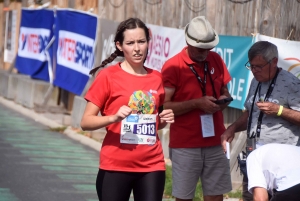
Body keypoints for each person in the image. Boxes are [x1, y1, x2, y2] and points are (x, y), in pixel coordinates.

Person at [80, 17, 174, 201]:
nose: (137, 48)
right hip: (115, 165)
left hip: (152, 165)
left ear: (148, 43)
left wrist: (163, 119)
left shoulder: (156, 77)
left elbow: (154, 123)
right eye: (130, 43)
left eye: (141, 41)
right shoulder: (108, 76)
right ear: (120, 46)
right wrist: (113, 118)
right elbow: (85, 122)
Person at [161, 16, 232, 201]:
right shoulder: (172, 66)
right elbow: (164, 106)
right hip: (185, 143)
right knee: (184, 197)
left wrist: (223, 100)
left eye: (208, 47)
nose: (205, 52)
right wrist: (196, 103)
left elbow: (225, 91)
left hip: (216, 140)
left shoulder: (216, 59)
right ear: (187, 41)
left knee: (216, 195)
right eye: (200, 48)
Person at [221, 41, 300, 201]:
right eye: (251, 66)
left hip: (281, 168)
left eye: (259, 66)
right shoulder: (255, 81)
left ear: (274, 62)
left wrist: (279, 110)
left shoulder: (292, 84)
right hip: (255, 158)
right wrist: (232, 128)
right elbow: (251, 112)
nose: (254, 71)